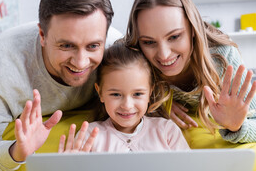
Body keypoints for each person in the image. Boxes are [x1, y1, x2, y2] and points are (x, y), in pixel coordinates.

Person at [0, 0, 116, 171]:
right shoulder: (1, 62)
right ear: (42, 35)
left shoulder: (116, 51)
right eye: (66, 45)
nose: (81, 62)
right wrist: (16, 152)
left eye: (93, 46)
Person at [124, 0, 256, 143]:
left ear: (193, 29)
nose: (164, 55)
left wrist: (235, 125)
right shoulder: (134, 58)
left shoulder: (222, 56)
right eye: (149, 42)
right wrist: (157, 104)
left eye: (174, 37)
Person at [58, 40, 190, 153]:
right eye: (116, 94)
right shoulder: (89, 135)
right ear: (100, 93)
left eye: (137, 94)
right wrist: (70, 167)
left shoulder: (166, 131)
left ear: (150, 92)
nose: (127, 105)